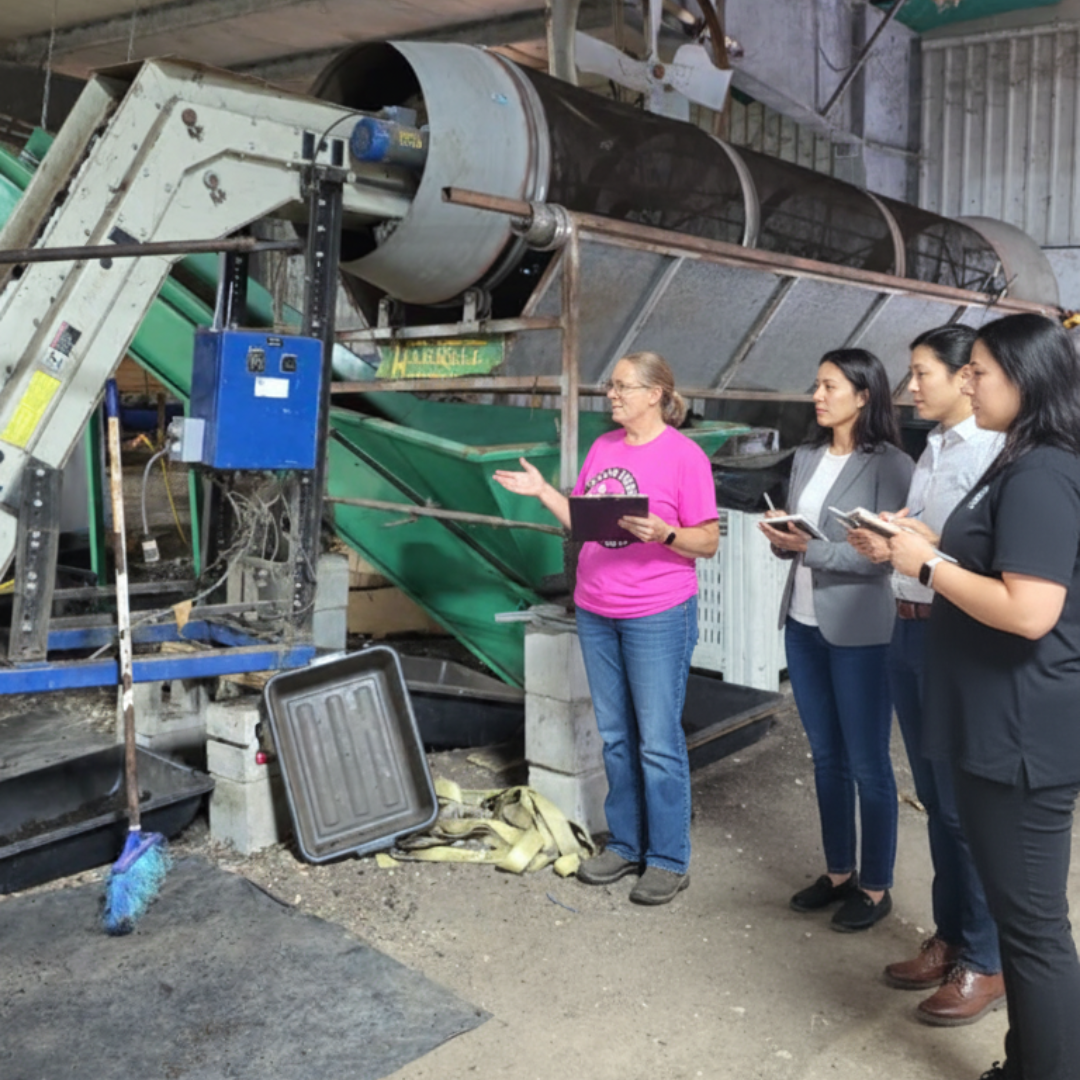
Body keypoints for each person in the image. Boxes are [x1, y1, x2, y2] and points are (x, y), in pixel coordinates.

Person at [888, 313, 1080, 1080]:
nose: (968, 381)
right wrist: (929, 549)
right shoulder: (1023, 461)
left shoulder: (1040, 471)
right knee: (1022, 918)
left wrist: (928, 566)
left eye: (981, 372)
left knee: (1032, 931)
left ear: (1026, 381)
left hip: (1020, 732)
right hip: (1001, 723)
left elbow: (1030, 610)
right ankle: (1027, 1062)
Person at [493, 351, 719, 906]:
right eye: (610, 387)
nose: (611, 395)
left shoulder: (685, 457)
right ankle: (625, 844)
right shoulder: (604, 448)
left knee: (658, 741)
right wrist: (546, 493)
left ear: (656, 394)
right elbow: (586, 521)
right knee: (616, 737)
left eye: (622, 387)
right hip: (596, 608)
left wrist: (665, 533)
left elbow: (708, 540)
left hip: (657, 613)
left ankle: (667, 857)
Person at [847, 326, 1006, 1025]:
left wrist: (920, 552)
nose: (910, 388)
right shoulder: (933, 449)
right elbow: (929, 543)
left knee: (971, 809)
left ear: (965, 376)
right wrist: (891, 542)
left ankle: (988, 960)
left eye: (921, 374)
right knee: (939, 803)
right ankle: (952, 936)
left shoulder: (999, 454)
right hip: (907, 631)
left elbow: (995, 564)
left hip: (957, 636)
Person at [759, 349, 912, 932]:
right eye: (816, 385)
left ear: (864, 395)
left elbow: (886, 556)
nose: (817, 396)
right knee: (826, 758)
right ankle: (840, 872)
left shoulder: (891, 464)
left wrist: (811, 549)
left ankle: (875, 887)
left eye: (829, 386)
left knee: (869, 762)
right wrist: (782, 538)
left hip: (861, 631)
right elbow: (803, 539)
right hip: (802, 624)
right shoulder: (806, 457)